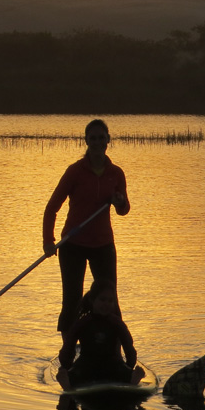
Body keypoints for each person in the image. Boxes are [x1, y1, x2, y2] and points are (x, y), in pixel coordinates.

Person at [43, 119, 130, 340]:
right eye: (93, 138)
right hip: (73, 246)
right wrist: (48, 241)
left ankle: (114, 349)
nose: (98, 142)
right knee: (72, 300)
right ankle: (68, 351)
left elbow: (124, 210)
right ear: (86, 141)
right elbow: (52, 207)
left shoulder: (116, 173)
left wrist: (119, 201)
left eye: (102, 138)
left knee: (110, 299)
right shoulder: (75, 172)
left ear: (108, 140)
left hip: (103, 245)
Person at [56, 279, 145, 390]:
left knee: (121, 370)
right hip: (87, 363)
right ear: (92, 300)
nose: (106, 304)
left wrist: (130, 365)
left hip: (112, 364)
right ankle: (67, 381)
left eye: (110, 301)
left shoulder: (117, 323)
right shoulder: (83, 322)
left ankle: (133, 377)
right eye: (102, 300)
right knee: (77, 372)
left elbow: (128, 345)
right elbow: (69, 345)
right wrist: (66, 365)